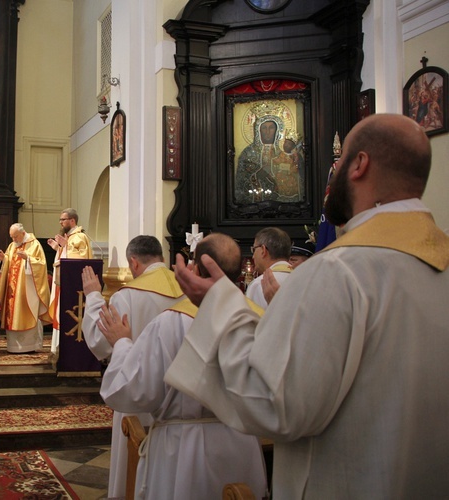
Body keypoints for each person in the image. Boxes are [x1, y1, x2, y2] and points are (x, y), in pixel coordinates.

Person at [165, 114, 449, 498]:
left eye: (339, 161)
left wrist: (218, 304)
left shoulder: (338, 271)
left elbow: (273, 404)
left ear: (359, 165)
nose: (332, 174)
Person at [96, 234, 267, 499]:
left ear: (197, 268)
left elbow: (131, 391)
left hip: (183, 450)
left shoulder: (172, 322)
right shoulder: (258, 317)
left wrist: (121, 345)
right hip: (242, 446)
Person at [80, 235, 185, 499]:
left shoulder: (127, 295)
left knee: (132, 471)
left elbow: (100, 343)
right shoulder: (190, 290)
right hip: (183, 397)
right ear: (161, 258)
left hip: (137, 393)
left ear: (133, 263)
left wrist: (93, 296)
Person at [0, 223, 51, 353]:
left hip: (27, 290)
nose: (13, 240)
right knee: (12, 314)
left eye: (15, 236)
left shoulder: (34, 244)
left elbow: (41, 265)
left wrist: (28, 259)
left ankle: (30, 346)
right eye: (11, 237)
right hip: (13, 290)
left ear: (23, 233)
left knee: (27, 312)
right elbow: (10, 261)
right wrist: (4, 259)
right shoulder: (12, 245)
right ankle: (13, 346)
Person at [47, 208, 93, 358]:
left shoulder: (80, 237)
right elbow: (64, 259)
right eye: (60, 220)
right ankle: (57, 348)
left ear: (72, 220)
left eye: (63, 219)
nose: (60, 222)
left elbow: (80, 259)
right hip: (63, 283)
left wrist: (65, 247)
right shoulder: (69, 237)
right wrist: (58, 249)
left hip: (74, 286)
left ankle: (67, 350)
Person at [235, 116, 283, 204]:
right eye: (264, 128)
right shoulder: (247, 153)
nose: (267, 132)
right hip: (253, 202)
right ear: (258, 130)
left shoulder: (283, 154)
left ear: (276, 130)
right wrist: (256, 175)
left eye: (271, 128)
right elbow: (240, 181)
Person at [245, 226, 292, 309]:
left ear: (263, 250)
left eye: (254, 249)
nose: (252, 256)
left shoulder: (260, 284)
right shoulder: (304, 279)